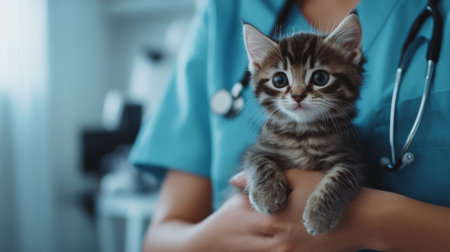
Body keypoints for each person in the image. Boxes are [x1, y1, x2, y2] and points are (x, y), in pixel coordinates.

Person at [130, 0, 450, 251]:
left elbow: (348, 169)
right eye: (281, 81)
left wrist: (373, 223)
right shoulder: (223, 10)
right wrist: (214, 237)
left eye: (318, 79)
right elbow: (158, 240)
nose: (297, 94)